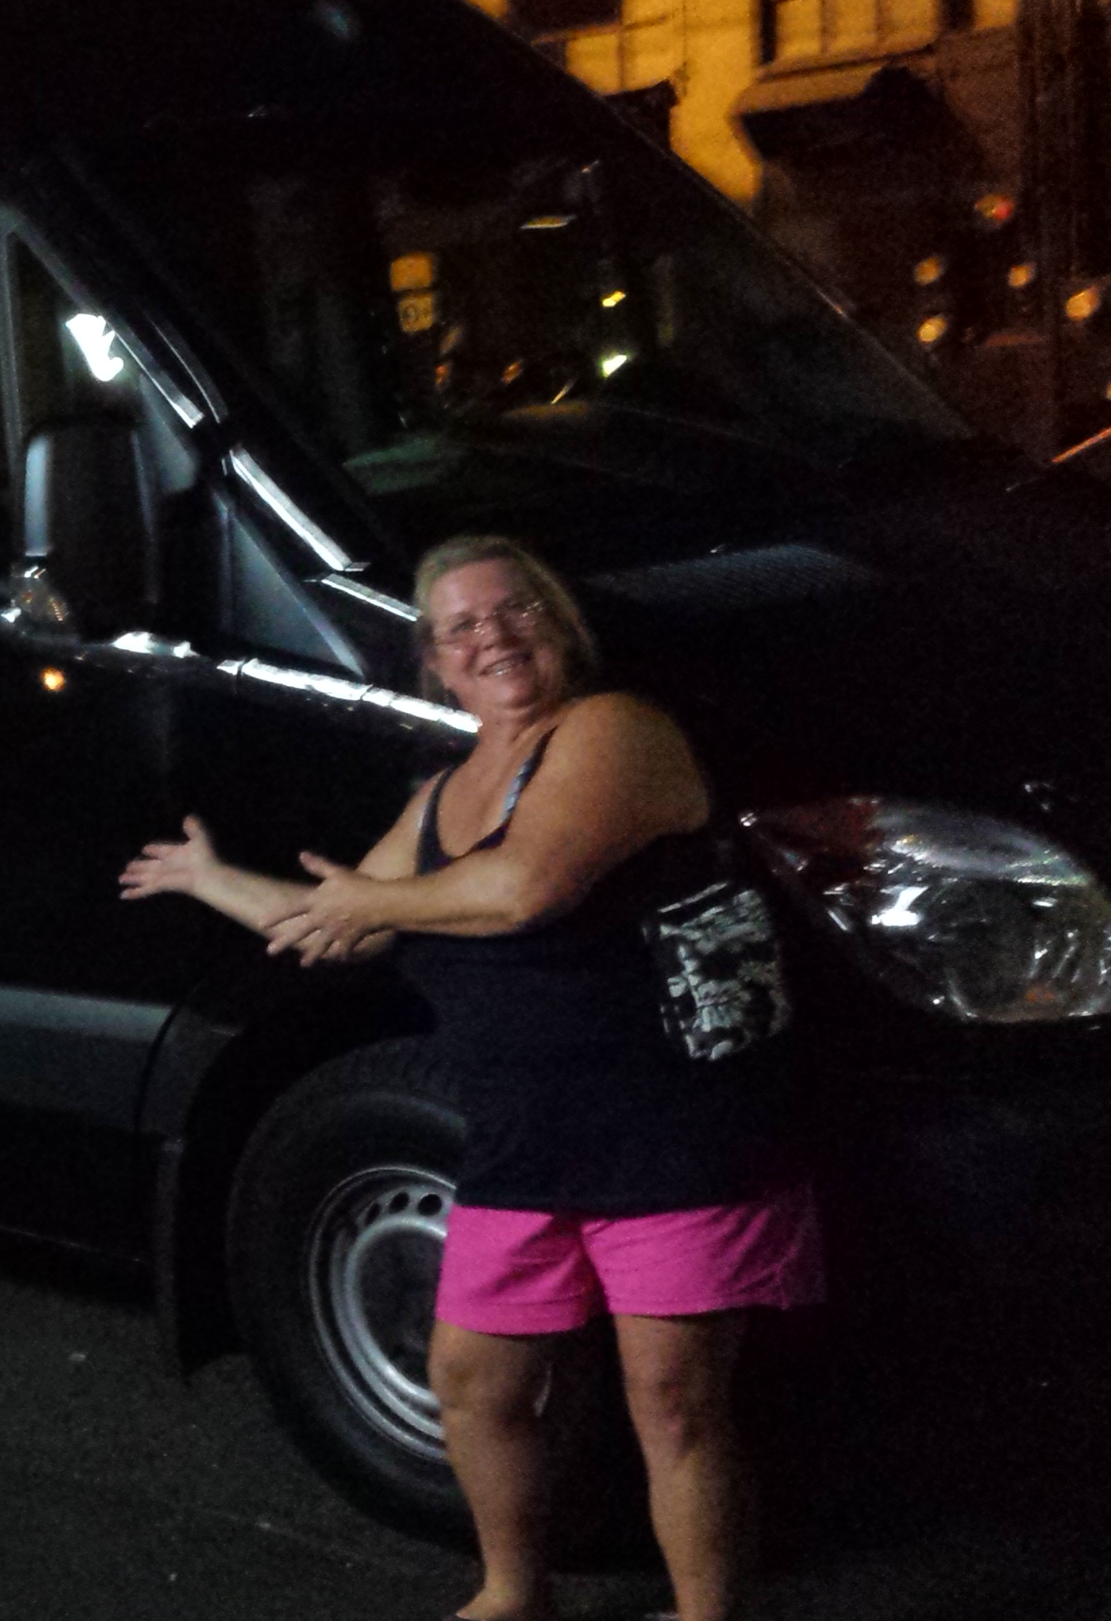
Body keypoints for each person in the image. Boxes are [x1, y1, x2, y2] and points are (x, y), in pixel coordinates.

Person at [119, 535, 818, 1621]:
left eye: (515, 610)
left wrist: (373, 900)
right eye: (460, 627)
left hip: (671, 1134)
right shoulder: (443, 797)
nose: (491, 636)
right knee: (474, 1383)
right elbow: (337, 926)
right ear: (437, 664)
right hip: (519, 1145)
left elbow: (524, 887)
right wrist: (210, 879)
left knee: (675, 1405)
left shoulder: (614, 730)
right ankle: (512, 1593)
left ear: (560, 624)